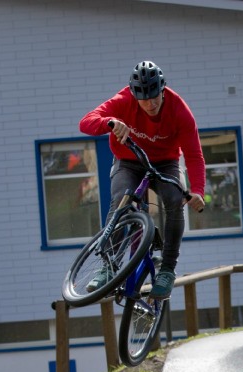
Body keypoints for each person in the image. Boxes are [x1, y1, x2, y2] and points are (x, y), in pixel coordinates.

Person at [80, 61, 206, 298]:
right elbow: (85, 122)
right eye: (144, 99)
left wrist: (198, 189)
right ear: (134, 94)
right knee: (120, 200)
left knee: (174, 198)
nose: (150, 104)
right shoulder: (123, 100)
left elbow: (194, 155)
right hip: (129, 160)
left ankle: (167, 269)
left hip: (165, 163)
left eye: (155, 97)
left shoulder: (180, 111)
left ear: (163, 89)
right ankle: (108, 266)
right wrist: (109, 123)